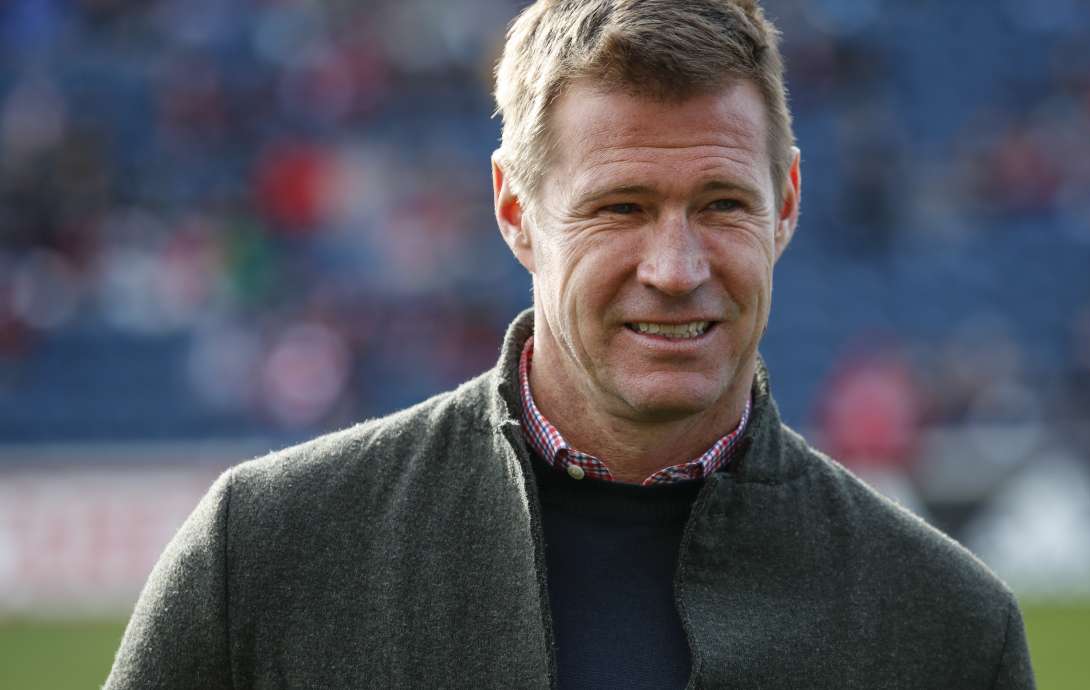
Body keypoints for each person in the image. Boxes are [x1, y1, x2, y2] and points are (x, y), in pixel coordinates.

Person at [106, 1, 1035, 687]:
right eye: (619, 208)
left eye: (721, 205)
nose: (675, 268)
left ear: (786, 203)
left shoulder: (946, 628)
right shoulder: (265, 554)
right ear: (517, 210)